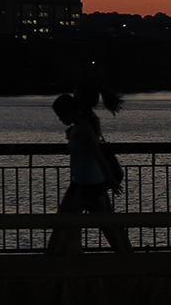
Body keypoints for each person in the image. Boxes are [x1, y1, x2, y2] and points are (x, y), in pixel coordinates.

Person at [47, 93, 131, 254]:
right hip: (85, 182)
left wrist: (112, 180)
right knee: (106, 225)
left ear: (71, 111)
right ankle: (126, 257)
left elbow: (98, 155)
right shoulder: (80, 127)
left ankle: (49, 260)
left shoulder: (84, 127)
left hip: (88, 182)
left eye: (61, 115)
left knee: (63, 223)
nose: (60, 119)